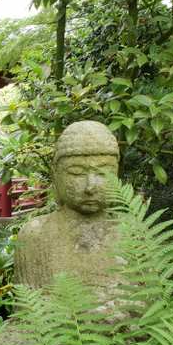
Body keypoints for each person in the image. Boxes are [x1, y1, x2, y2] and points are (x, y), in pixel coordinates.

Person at [14, 121, 120, 292]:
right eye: (76, 172)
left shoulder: (137, 236)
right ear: (56, 175)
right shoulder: (35, 235)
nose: (90, 186)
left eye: (103, 173)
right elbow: (28, 312)